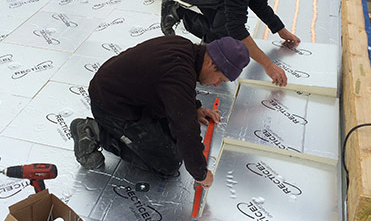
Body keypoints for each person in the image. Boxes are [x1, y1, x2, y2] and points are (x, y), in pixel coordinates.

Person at [70, 35, 250, 189]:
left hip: (130, 96)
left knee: (172, 142)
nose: (217, 84)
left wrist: (193, 108)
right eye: (220, 78)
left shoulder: (186, 49)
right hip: (112, 106)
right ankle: (93, 130)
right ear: (212, 63)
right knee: (168, 163)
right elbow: (185, 130)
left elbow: (175, 90)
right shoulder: (179, 72)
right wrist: (201, 174)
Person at [161, 0, 302, 87]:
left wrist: (281, 30)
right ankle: (203, 47)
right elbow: (236, 27)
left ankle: (181, 14)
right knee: (227, 14)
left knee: (223, 25)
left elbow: (259, 3)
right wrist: (268, 65)